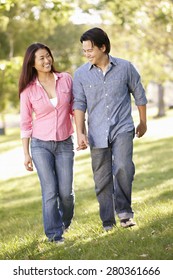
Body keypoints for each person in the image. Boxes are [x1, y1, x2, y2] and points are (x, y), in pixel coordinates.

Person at [73, 27, 147, 231]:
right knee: (102, 178)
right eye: (84, 51)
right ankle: (107, 221)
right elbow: (79, 104)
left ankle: (124, 213)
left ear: (103, 47)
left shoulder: (125, 67)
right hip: (97, 133)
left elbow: (139, 95)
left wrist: (143, 121)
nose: (87, 54)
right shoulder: (80, 75)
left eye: (90, 50)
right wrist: (80, 132)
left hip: (122, 127)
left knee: (123, 167)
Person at [19, 43, 74, 243]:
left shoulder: (66, 79)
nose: (47, 60)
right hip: (41, 145)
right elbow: (25, 123)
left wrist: (82, 131)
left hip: (65, 143)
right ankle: (54, 234)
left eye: (48, 56)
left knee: (66, 193)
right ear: (32, 64)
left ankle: (64, 222)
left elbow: (75, 108)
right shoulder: (28, 91)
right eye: (41, 58)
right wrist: (26, 154)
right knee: (50, 191)